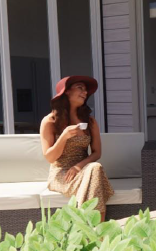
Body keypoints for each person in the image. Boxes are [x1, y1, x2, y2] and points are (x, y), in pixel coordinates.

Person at [40, 75, 113, 221]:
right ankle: (98, 231)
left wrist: (79, 167)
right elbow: (49, 157)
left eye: (86, 90)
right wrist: (64, 136)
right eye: (80, 88)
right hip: (61, 174)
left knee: (95, 168)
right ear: (66, 92)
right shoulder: (50, 121)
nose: (85, 92)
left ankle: (86, 229)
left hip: (83, 170)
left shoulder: (90, 121)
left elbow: (97, 152)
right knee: (94, 176)